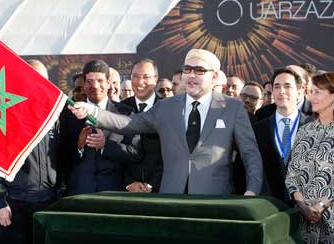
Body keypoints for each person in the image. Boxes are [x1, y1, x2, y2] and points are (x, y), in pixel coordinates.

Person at [70, 49, 262, 195]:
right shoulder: (166, 107)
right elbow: (128, 123)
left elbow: (250, 153)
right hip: (172, 198)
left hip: (215, 198)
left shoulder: (232, 108)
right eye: (187, 69)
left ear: (214, 76)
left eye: (199, 70)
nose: (191, 75)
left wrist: (252, 189)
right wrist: (94, 111)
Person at [0, 60, 62, 244]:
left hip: (48, 201)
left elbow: (60, 156)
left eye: (41, 79)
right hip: (15, 203)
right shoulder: (3, 114)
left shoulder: (54, 115)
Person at [285, 72, 334, 244]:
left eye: (318, 92)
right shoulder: (305, 130)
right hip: (305, 220)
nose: (312, 97)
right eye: (311, 92)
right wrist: (302, 205)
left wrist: (320, 206)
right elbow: (292, 173)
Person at [63, 60, 141, 195]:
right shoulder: (69, 114)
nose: (95, 86)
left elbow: (135, 153)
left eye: (100, 80)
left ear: (108, 82)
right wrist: (79, 147)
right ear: (84, 83)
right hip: (79, 194)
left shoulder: (126, 113)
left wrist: (105, 145)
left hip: (114, 194)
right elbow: (59, 156)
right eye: (89, 81)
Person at [253, 68, 312, 205]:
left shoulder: (315, 127)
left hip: (306, 206)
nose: (281, 91)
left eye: (287, 86)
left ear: (300, 91)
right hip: (267, 204)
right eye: (277, 86)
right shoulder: (258, 129)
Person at [120, 59, 163, 192]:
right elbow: (115, 149)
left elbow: (174, 153)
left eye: (146, 77)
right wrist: (128, 183)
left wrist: (152, 184)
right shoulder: (120, 109)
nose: (140, 82)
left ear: (155, 79)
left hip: (161, 188)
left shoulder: (167, 108)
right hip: (127, 190)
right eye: (136, 76)